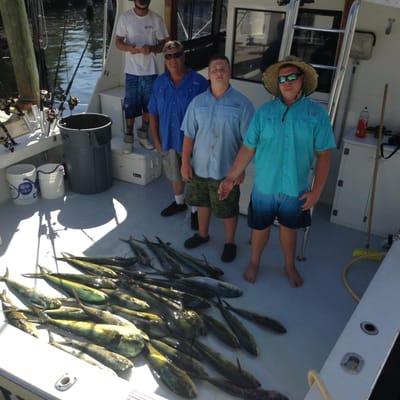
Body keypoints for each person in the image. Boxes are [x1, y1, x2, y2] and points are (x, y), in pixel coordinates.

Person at [219, 56, 336, 286]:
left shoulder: (317, 115)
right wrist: (231, 177)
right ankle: (254, 262)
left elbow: (325, 155)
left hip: (295, 187)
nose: (287, 82)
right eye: (283, 79)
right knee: (259, 228)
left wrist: (317, 192)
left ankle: (289, 265)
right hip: (265, 184)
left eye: (292, 77)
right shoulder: (264, 113)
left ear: (302, 80)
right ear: (278, 84)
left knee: (289, 229)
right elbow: (247, 148)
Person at [181, 55, 254, 262]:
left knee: (228, 209)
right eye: (215, 69)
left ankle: (230, 243)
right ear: (209, 74)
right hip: (199, 168)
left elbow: (248, 142)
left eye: (223, 68)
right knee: (202, 202)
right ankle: (203, 235)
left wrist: (240, 171)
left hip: (227, 171)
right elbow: (188, 135)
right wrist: (185, 162)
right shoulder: (197, 103)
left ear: (230, 73)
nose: (219, 71)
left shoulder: (243, 104)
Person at [148, 40, 209, 228]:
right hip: (168, 139)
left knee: (192, 177)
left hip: (192, 143)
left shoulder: (199, 82)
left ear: (184, 56)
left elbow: (207, 117)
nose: (173, 60)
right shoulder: (159, 82)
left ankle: (195, 211)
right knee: (174, 173)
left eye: (177, 55)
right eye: (168, 56)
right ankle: (179, 203)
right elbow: (152, 113)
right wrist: (156, 140)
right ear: (164, 59)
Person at [115, 0, 169, 153]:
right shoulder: (125, 18)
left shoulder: (156, 19)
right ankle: (129, 139)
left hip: (151, 71)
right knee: (130, 107)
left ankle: (144, 136)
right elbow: (118, 42)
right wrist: (129, 48)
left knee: (148, 106)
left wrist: (151, 48)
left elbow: (165, 44)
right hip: (131, 72)